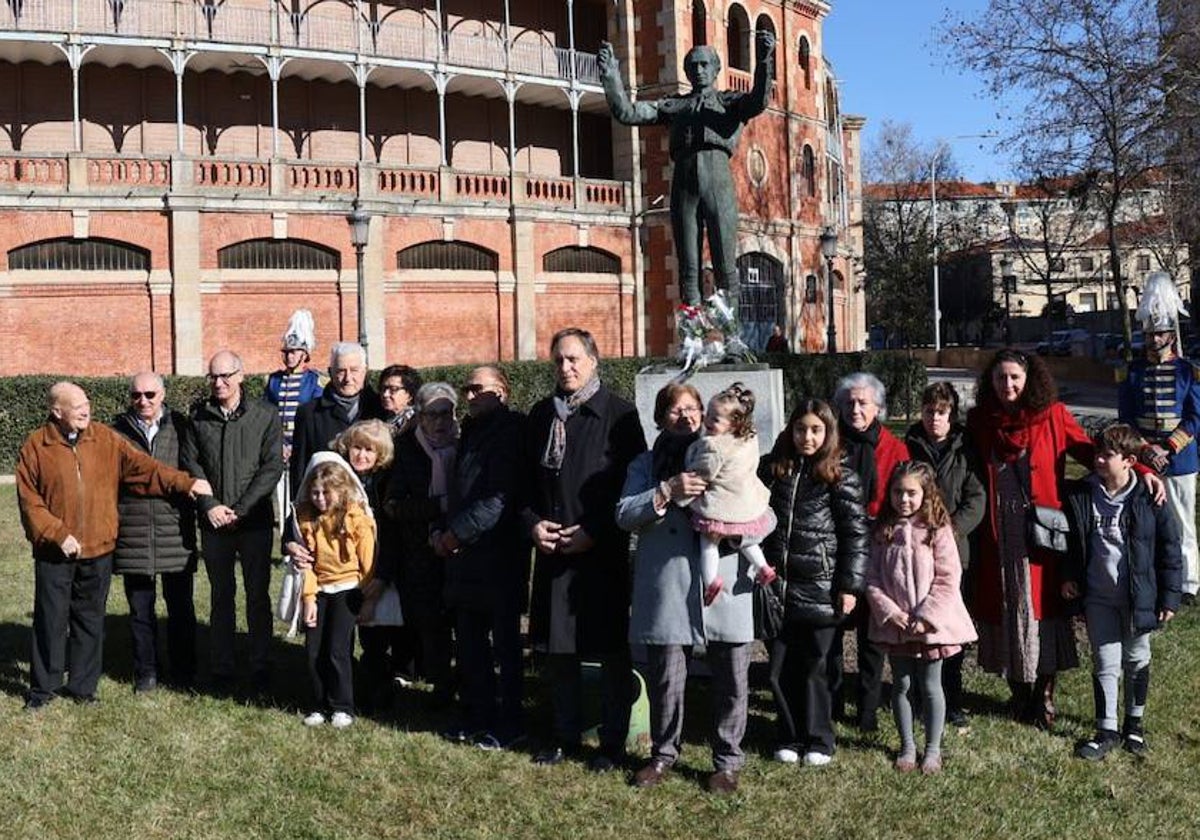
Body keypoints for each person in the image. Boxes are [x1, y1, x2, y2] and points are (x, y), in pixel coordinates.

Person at [968, 349, 1163, 728]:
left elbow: (1094, 454)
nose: (1007, 385)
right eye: (1000, 378)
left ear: (1029, 381)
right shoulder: (980, 421)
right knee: (1007, 608)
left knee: (1043, 611)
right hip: (998, 535)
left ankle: (1044, 694)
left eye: (1014, 378)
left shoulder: (1053, 416)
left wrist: (1138, 467)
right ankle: (1018, 694)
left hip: (1043, 535)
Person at [17, 382, 210, 710]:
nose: (84, 409)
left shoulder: (105, 438)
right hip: (55, 552)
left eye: (86, 402)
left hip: (99, 547)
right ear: (56, 412)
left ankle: (82, 687)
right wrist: (58, 534)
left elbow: (144, 469)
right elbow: (29, 502)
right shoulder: (36, 446)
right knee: (50, 619)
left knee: (90, 619)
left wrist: (186, 482)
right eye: (75, 405)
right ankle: (43, 690)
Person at [617, 382, 755, 795]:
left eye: (693, 408)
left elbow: (757, 506)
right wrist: (666, 492)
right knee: (666, 678)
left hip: (723, 580)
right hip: (668, 583)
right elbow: (623, 514)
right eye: (675, 410)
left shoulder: (727, 452)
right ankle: (662, 755)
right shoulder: (644, 463)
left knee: (733, 675)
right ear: (660, 418)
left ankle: (727, 762)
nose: (687, 417)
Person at [522, 327, 646, 772]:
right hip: (553, 550)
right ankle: (563, 734)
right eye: (558, 360)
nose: (565, 368)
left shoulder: (619, 415)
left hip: (600, 551)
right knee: (560, 652)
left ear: (594, 361)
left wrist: (594, 531)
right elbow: (524, 484)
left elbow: (630, 486)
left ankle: (612, 743)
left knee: (609, 649)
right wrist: (533, 525)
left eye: (574, 359)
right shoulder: (540, 416)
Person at [598, 31, 775, 305]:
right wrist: (610, 75)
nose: (699, 70)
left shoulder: (729, 103)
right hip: (683, 183)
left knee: (725, 263)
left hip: (718, 181)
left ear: (716, 69)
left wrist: (764, 61)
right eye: (693, 66)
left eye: (705, 65)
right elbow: (627, 113)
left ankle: (730, 338)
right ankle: (690, 336)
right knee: (688, 267)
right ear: (686, 71)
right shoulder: (674, 106)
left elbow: (759, 101)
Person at [1061, 424, 1181, 759]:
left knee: (1136, 657)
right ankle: (1107, 729)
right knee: (1105, 661)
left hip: (1138, 598)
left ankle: (1135, 727)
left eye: (1107, 455)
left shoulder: (1149, 496)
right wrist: (1070, 576)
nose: (1097, 460)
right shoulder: (1083, 495)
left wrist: (1170, 595)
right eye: (1097, 453)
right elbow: (1073, 544)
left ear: (1129, 460)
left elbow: (1170, 548)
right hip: (1098, 597)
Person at [761, 399, 868, 767]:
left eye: (816, 430)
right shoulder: (774, 470)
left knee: (816, 667)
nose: (807, 437)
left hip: (821, 589)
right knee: (778, 668)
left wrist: (849, 586)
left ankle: (819, 738)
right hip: (777, 588)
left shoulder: (840, 475)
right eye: (801, 429)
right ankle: (788, 735)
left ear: (828, 433)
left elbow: (855, 534)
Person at [434, 366, 528, 750]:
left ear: (502, 392)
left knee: (505, 645)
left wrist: (456, 534)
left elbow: (499, 498)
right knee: (470, 642)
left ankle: (510, 723)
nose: (470, 396)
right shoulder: (471, 431)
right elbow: (462, 490)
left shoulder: (511, 431)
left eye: (478, 389)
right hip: (467, 558)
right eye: (467, 389)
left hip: (499, 554)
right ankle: (477, 713)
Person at [181, 350, 284, 695]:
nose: (219, 382)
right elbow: (191, 463)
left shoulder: (266, 415)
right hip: (213, 523)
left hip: (253, 521)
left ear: (241, 376)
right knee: (221, 595)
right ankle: (222, 666)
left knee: (257, 596)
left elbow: (271, 467)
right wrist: (210, 505)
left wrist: (240, 509)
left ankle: (261, 664)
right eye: (213, 377)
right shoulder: (199, 418)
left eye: (226, 375)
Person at [865, 462, 977, 775]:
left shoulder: (937, 529)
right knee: (901, 685)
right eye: (898, 492)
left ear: (925, 494)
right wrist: (890, 612)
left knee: (930, 686)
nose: (904, 499)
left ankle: (932, 749)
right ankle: (907, 747)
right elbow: (871, 577)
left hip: (930, 628)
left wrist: (926, 615)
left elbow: (948, 576)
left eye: (911, 493)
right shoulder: (882, 530)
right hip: (897, 626)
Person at [829, 372, 910, 731]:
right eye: (849, 402)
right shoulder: (829, 442)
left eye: (863, 402)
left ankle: (867, 711)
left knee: (872, 637)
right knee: (831, 630)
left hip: (878, 549)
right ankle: (830, 705)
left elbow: (904, 498)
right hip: (836, 548)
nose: (855, 409)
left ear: (878, 407)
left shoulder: (895, 448)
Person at [904, 381, 986, 727]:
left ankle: (952, 698)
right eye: (928, 411)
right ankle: (919, 696)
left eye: (941, 412)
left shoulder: (966, 449)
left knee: (949, 628)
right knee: (919, 625)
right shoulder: (909, 445)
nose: (934, 419)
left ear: (951, 414)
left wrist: (949, 531)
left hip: (955, 551)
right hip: (914, 552)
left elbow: (976, 498)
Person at [112, 372, 199, 693]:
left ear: (162, 394)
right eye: (136, 395)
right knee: (140, 610)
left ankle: (184, 669)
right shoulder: (116, 432)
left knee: (180, 607)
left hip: (174, 527)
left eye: (150, 394)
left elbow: (191, 470)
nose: (143, 401)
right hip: (133, 530)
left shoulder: (181, 427)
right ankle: (145, 671)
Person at [1117, 271, 1200, 605]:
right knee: (1143, 520)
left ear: (1171, 335)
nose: (1154, 340)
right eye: (1150, 334)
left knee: (1182, 522)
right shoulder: (1132, 371)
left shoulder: (1188, 371)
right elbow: (1125, 418)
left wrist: (1168, 446)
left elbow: (1196, 417)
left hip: (1179, 459)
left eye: (1160, 333)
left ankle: (1189, 582)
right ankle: (1149, 576)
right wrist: (1145, 450)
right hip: (1143, 458)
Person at [384, 382, 461, 709]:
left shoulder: (465, 445)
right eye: (433, 414)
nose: (441, 422)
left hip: (461, 549)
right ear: (420, 415)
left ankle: (467, 686)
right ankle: (440, 688)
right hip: (419, 553)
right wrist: (439, 506)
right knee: (432, 625)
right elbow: (393, 505)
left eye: (447, 413)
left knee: (465, 623)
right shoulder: (404, 451)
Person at [295, 453, 376, 729]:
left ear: (340, 491)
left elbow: (367, 563)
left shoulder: (356, 518)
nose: (319, 498)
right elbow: (307, 562)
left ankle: (343, 705)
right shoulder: (306, 518)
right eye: (314, 492)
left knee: (337, 650)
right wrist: (308, 598)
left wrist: (367, 597)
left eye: (326, 493)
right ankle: (318, 704)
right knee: (314, 650)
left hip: (349, 589)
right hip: (319, 588)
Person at [680, 382, 776, 605]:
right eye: (709, 415)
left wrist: (680, 498)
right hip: (747, 503)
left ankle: (711, 580)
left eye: (715, 419)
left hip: (720, 508)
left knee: (709, 542)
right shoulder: (749, 438)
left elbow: (701, 476)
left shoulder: (714, 447)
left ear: (733, 424)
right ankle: (762, 567)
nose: (708, 422)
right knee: (747, 541)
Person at [290, 342, 383, 494]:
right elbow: (299, 470)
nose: (348, 378)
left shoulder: (379, 410)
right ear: (330, 372)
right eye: (341, 371)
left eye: (354, 370)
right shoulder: (309, 414)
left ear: (365, 371)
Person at [265, 309, 325, 540]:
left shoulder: (315, 381)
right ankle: (285, 537)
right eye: (287, 352)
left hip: (304, 447)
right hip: (279, 448)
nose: (289, 356)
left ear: (304, 354)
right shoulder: (274, 381)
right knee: (281, 495)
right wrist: (278, 443)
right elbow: (269, 415)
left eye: (294, 352)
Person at [379, 364, 424, 437]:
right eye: (383, 388)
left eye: (393, 389)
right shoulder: (378, 417)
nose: (385, 394)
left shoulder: (416, 424)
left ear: (409, 394)